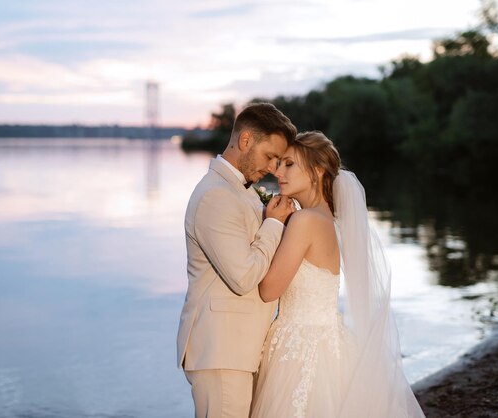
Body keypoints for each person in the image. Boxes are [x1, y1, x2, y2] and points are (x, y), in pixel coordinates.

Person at [251, 131, 426, 418]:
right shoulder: (327, 221)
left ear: (317, 171)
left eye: (289, 164)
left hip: (299, 349)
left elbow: (269, 290)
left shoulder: (304, 221)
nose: (278, 172)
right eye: (279, 164)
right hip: (329, 342)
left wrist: (270, 224)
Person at [176, 103, 298, 418]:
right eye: (270, 156)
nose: (273, 167)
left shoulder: (243, 191)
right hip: (221, 353)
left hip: (239, 350)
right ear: (245, 141)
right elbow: (243, 277)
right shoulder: (215, 196)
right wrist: (274, 224)